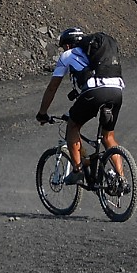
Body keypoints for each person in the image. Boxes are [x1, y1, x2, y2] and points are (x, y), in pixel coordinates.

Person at [35, 26, 125, 186]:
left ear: (68, 45)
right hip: (117, 90)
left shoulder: (67, 55)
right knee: (108, 137)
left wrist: (42, 112)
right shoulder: (97, 56)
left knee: (73, 126)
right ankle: (121, 179)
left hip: (95, 92)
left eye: (63, 46)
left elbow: (52, 87)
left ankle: (78, 171)